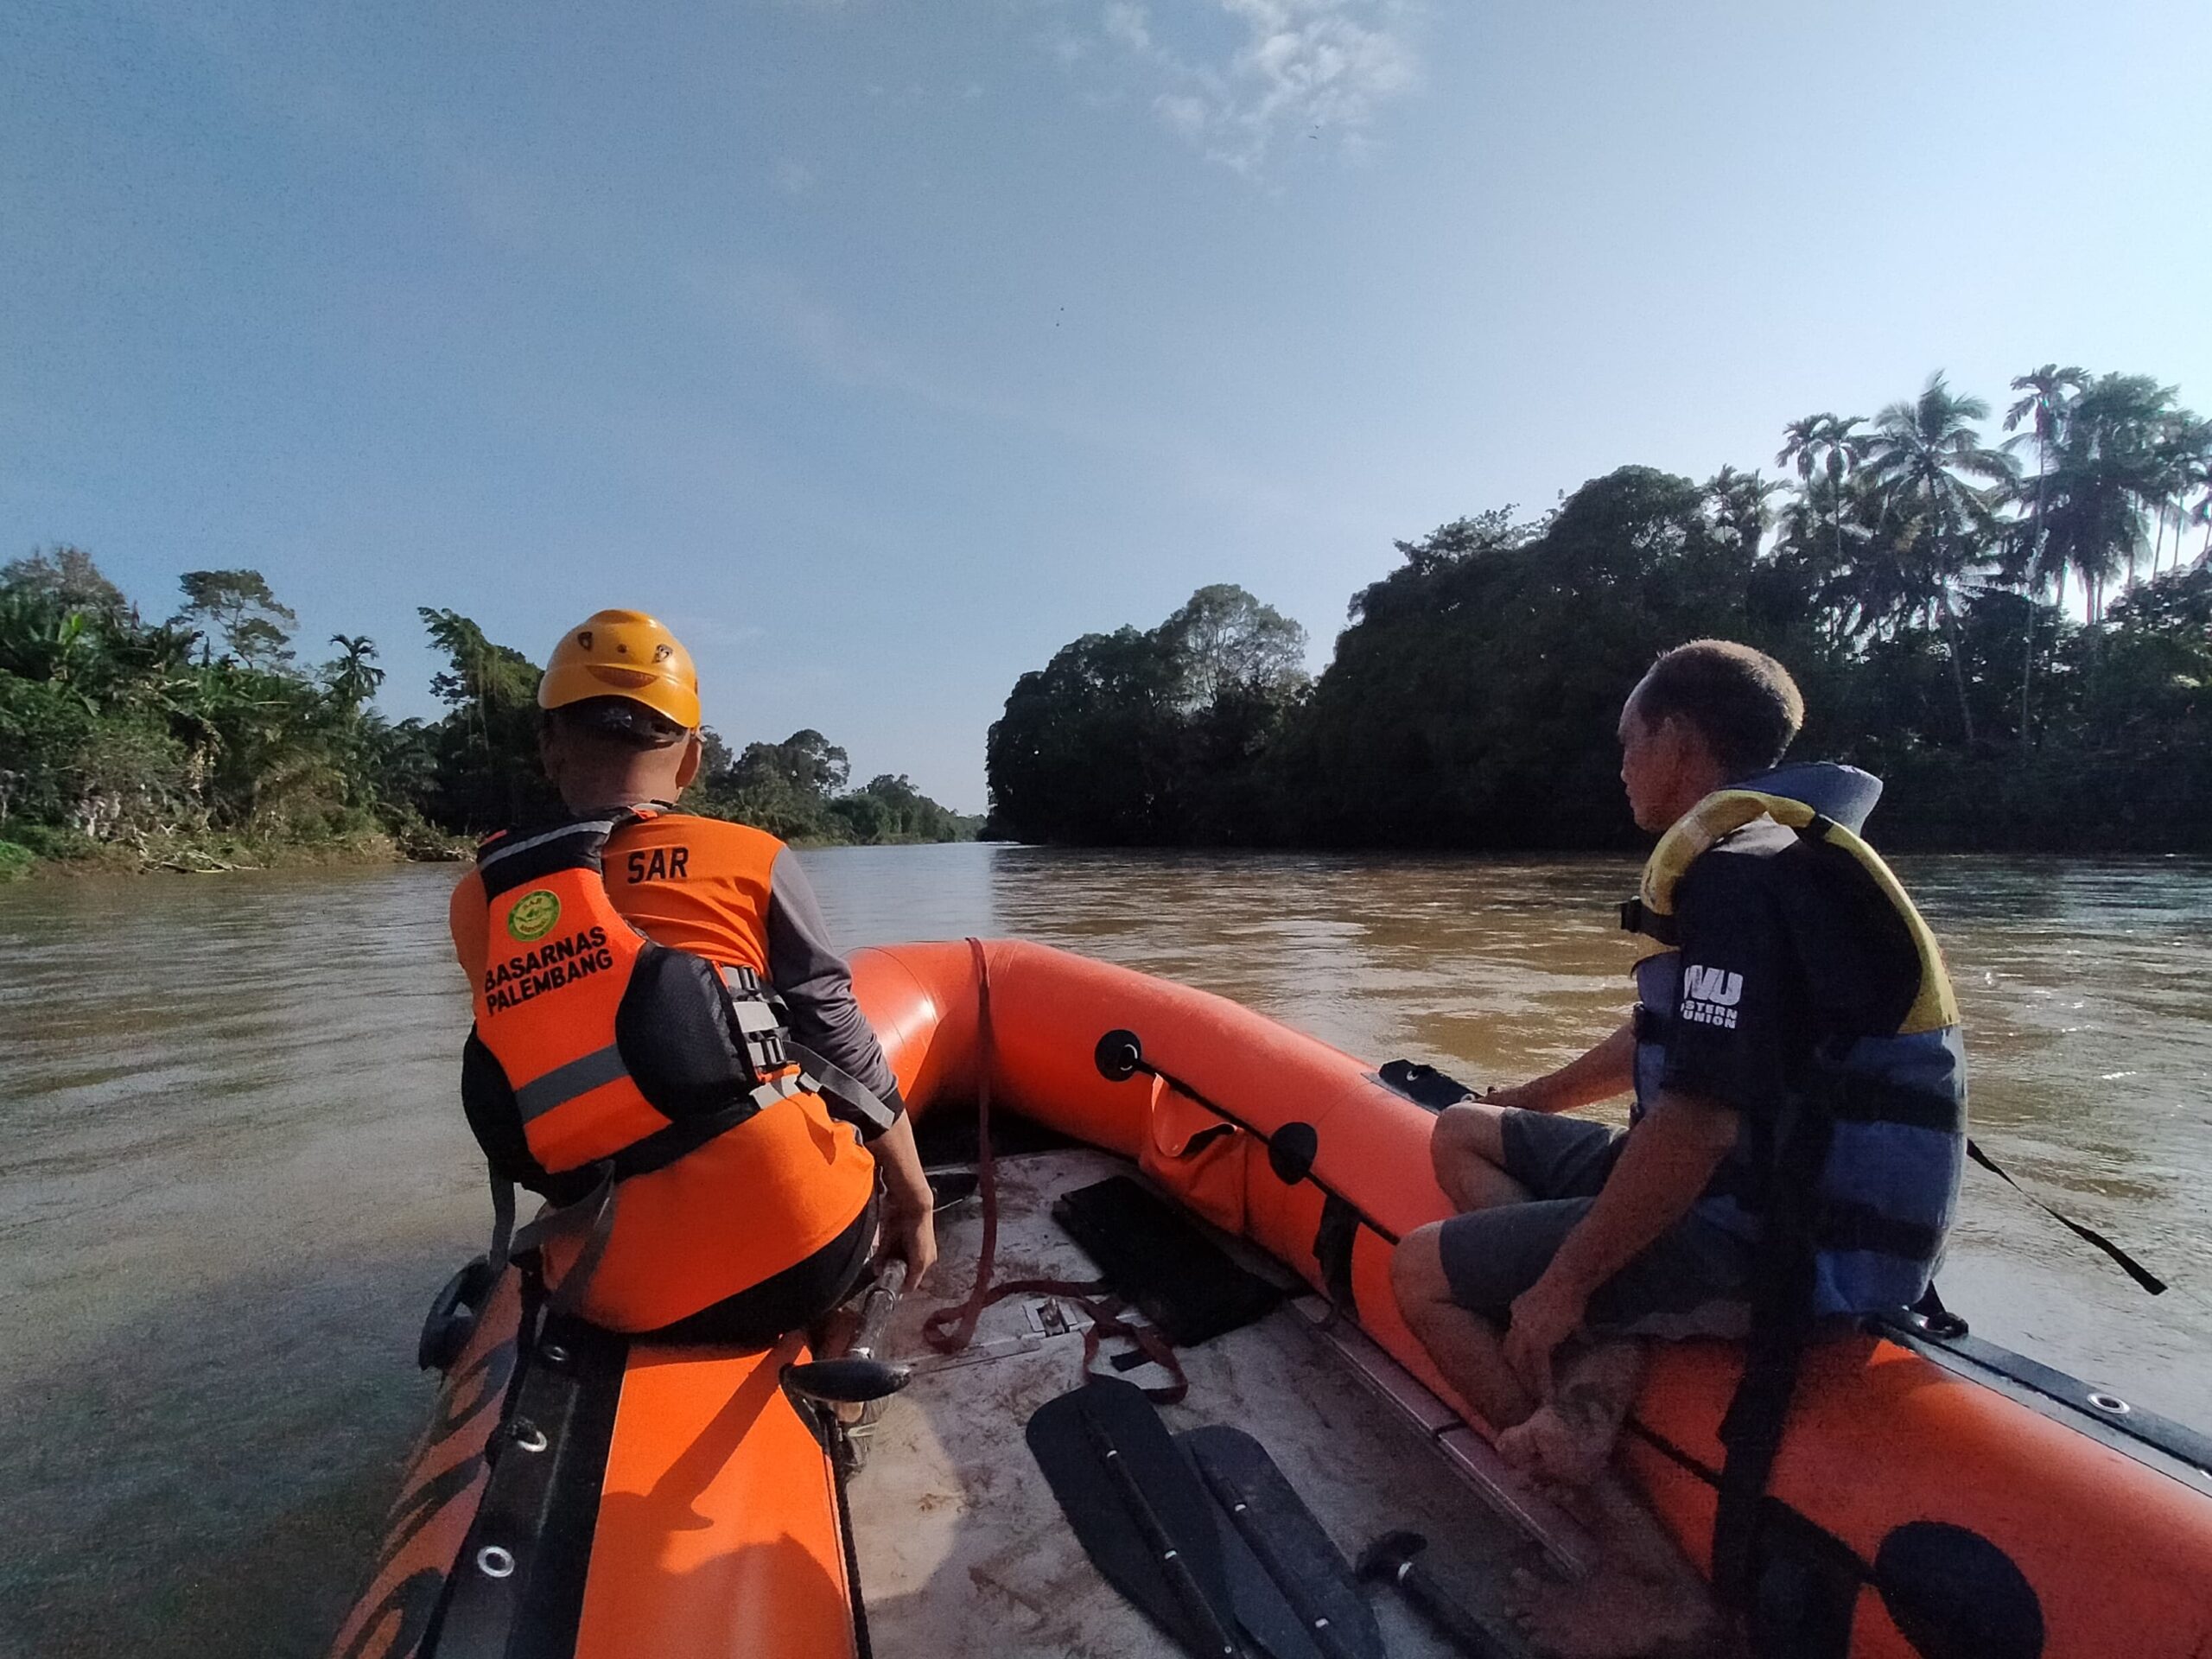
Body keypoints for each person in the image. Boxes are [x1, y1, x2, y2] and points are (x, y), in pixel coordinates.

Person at [1390, 639, 1966, 1656]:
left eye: (1627, 743)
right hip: (1736, 1186)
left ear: (1678, 739)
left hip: (1782, 1239)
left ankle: (1646, 1575)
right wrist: (1527, 1096)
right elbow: (1666, 1044)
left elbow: (1698, 1122)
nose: (1617, 766)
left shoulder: (1743, 876)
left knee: (1423, 1273)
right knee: (1467, 1130)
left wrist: (1562, 1283)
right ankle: (1602, 1359)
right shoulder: (1771, 860)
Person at [448, 607, 937, 1346]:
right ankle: (838, 1368)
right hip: (800, 1252)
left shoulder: (483, 899)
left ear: (548, 746)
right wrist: (915, 1194)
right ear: (693, 757)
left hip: (607, 1290)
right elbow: (837, 1034)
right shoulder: (752, 856)